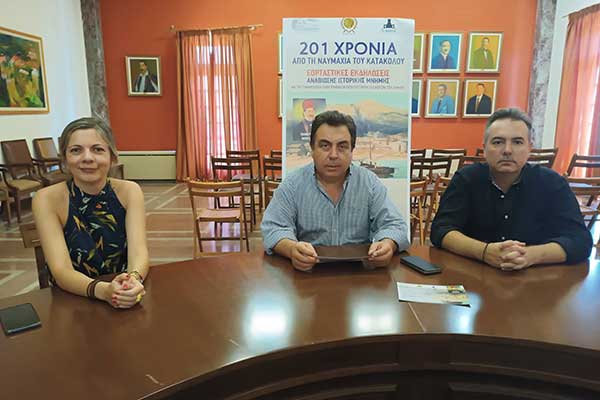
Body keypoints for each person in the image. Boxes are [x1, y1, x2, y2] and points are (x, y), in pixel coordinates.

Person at [430, 108, 592, 270]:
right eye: (498, 142)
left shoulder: (552, 183)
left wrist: (531, 255)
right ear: (484, 148)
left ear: (529, 148)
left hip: (537, 276)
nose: (507, 150)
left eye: (517, 142)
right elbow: (441, 230)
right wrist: (484, 252)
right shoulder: (466, 179)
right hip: (474, 274)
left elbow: (580, 240)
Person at [262, 110, 409, 272]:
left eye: (342, 146)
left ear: (352, 150)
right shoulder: (292, 184)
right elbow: (273, 228)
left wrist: (387, 244)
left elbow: (395, 226)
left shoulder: (369, 183)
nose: (333, 155)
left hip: (359, 274)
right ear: (312, 149)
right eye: (325, 146)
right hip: (308, 273)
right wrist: (291, 249)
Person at [33, 117, 149, 308]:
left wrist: (133, 280)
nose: (87, 158)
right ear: (65, 159)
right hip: (73, 298)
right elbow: (61, 270)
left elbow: (139, 251)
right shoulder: (46, 199)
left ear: (112, 157)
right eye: (76, 150)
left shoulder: (130, 191)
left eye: (97, 149)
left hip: (124, 292)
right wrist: (103, 291)